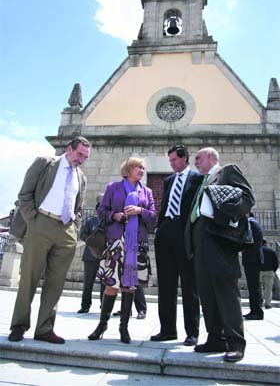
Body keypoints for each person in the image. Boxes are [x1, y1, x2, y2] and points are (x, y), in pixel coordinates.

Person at [8, 136, 91, 344]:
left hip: (66, 231)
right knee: (29, 277)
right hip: (41, 223)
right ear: (69, 149)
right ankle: (19, 325)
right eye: (79, 154)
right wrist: (33, 220)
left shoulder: (81, 177)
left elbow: (79, 207)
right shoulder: (45, 163)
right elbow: (25, 193)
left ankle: (44, 328)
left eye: (85, 157)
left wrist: (75, 225)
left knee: (56, 283)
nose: (82, 159)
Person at [185, 147, 255, 363]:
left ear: (210, 157)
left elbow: (247, 198)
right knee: (206, 292)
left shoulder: (226, 171)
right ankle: (216, 338)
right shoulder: (201, 181)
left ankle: (235, 343)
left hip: (219, 239)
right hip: (200, 241)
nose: (194, 162)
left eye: (197, 158)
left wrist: (228, 213)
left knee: (226, 292)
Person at [88, 157, 156, 344]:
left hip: (137, 243)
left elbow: (152, 216)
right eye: (138, 167)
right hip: (116, 241)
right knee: (111, 284)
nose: (142, 170)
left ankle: (123, 328)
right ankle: (102, 325)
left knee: (130, 285)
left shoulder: (147, 191)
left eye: (143, 167)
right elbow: (101, 211)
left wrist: (140, 211)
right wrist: (115, 215)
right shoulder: (113, 187)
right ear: (128, 168)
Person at [150, 145, 202, 346]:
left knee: (190, 285)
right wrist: (159, 229)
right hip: (165, 234)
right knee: (166, 285)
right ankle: (168, 330)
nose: (171, 164)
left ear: (185, 158)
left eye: (174, 160)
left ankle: (192, 332)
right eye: (169, 160)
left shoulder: (197, 179)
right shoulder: (168, 180)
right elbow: (164, 206)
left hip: (185, 234)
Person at [77, 195, 105, 314]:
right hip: (90, 256)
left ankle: (104, 306)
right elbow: (82, 235)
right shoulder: (90, 221)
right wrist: (91, 240)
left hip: (104, 257)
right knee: (88, 283)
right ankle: (85, 306)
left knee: (104, 283)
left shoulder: (108, 222)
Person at [242, 212, 264, 320]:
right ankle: (255, 310)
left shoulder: (251, 224)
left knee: (253, 286)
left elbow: (249, 240)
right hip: (254, 258)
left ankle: (257, 311)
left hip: (252, 259)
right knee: (254, 286)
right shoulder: (255, 223)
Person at [260, 239, 279, 309]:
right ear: (266, 243)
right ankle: (267, 304)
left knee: (259, 287)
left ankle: (259, 301)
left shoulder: (258, 250)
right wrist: (273, 270)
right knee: (268, 288)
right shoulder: (271, 251)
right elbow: (276, 263)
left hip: (259, 271)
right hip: (270, 271)